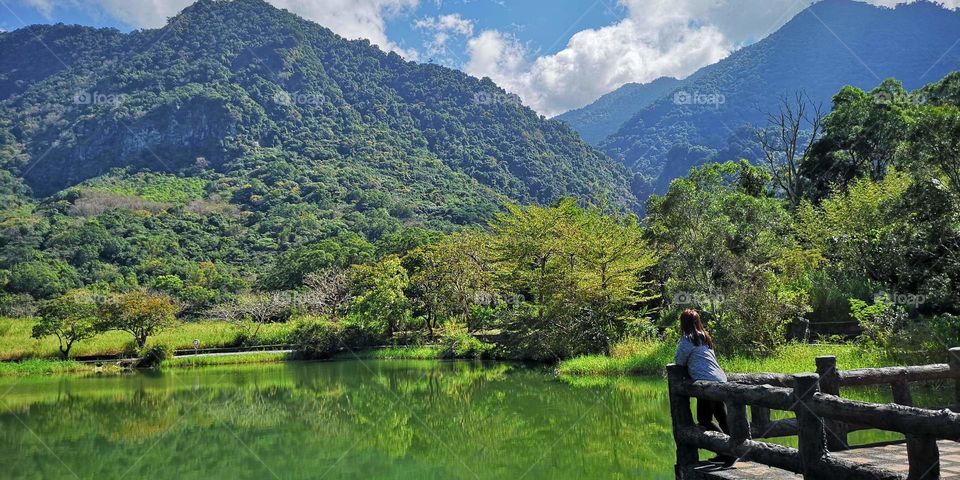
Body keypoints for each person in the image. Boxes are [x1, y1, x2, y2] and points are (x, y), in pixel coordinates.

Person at [674, 308, 737, 467]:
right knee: (722, 418)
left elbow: (679, 362)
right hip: (720, 379)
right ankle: (730, 451)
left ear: (683, 323)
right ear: (697, 322)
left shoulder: (687, 340)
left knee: (704, 420)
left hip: (706, 384)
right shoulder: (705, 337)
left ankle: (726, 451)